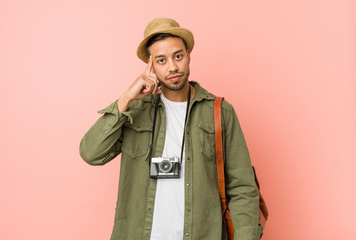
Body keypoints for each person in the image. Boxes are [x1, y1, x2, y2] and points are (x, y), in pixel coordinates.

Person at [79, 17, 263, 240]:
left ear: (188, 54)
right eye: (161, 60)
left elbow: (243, 187)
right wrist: (127, 97)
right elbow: (91, 153)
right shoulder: (135, 111)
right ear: (151, 65)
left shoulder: (219, 111)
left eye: (178, 56)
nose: (173, 67)